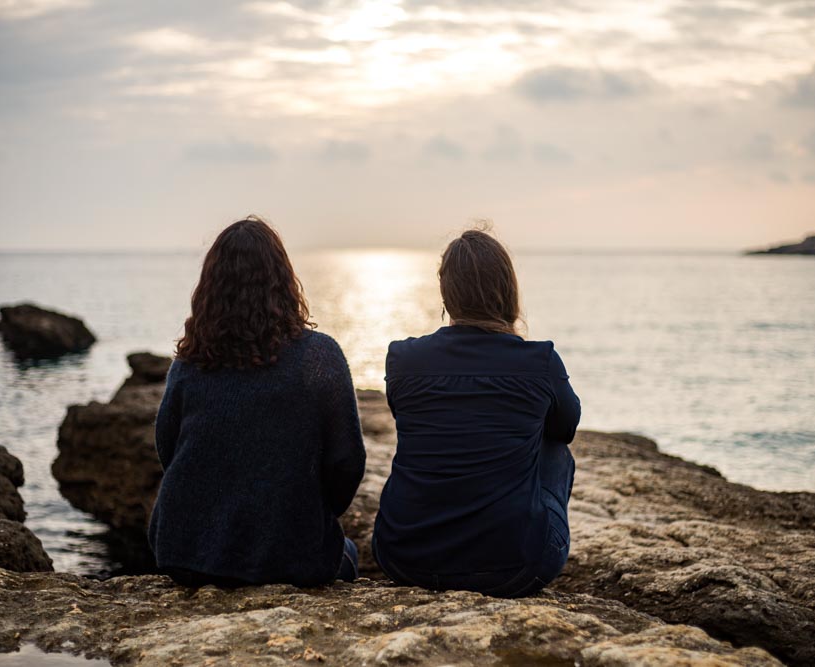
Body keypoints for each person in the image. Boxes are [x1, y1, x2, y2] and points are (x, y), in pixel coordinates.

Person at [148, 216, 366, 588]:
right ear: (283, 280)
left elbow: (168, 449)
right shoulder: (319, 357)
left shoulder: (190, 363)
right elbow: (347, 462)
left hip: (184, 555)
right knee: (349, 553)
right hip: (287, 560)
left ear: (210, 288)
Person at [372, 228, 580, 598]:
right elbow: (565, 427)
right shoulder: (539, 361)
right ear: (507, 289)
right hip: (513, 570)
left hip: (403, 559)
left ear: (447, 292)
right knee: (554, 451)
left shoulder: (402, 359)